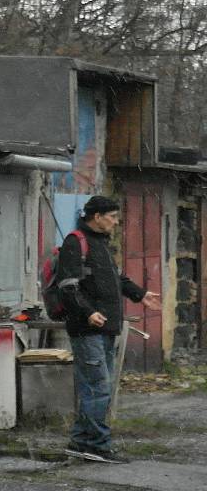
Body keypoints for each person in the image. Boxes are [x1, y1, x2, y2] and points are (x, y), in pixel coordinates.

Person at [58, 196, 161, 462]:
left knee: (98, 386)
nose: (116, 222)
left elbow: (116, 278)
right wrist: (89, 312)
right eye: (113, 217)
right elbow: (67, 286)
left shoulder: (101, 243)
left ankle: (81, 442)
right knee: (97, 387)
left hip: (105, 329)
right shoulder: (75, 242)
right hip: (87, 328)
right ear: (97, 216)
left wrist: (140, 295)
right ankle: (97, 445)